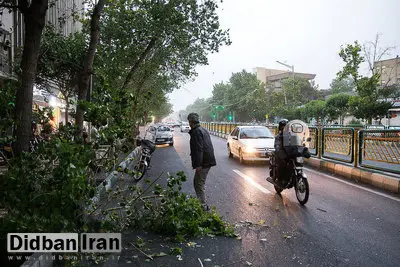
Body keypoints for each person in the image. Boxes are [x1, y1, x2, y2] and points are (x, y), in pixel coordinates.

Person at [187, 113, 216, 211]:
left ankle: (203, 206)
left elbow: (199, 149)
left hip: (204, 162)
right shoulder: (203, 129)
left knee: (198, 184)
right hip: (208, 160)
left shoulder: (196, 132)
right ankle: (201, 204)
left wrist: (198, 165)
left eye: (189, 122)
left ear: (191, 122)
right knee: (198, 182)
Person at [273, 119, 289, 187]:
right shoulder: (278, 137)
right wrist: (281, 154)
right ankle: (279, 180)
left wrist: (304, 150)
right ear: (280, 127)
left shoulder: (292, 136)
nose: (284, 128)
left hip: (289, 154)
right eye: (283, 126)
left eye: (286, 126)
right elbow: (277, 146)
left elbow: (297, 145)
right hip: (281, 155)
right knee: (282, 163)